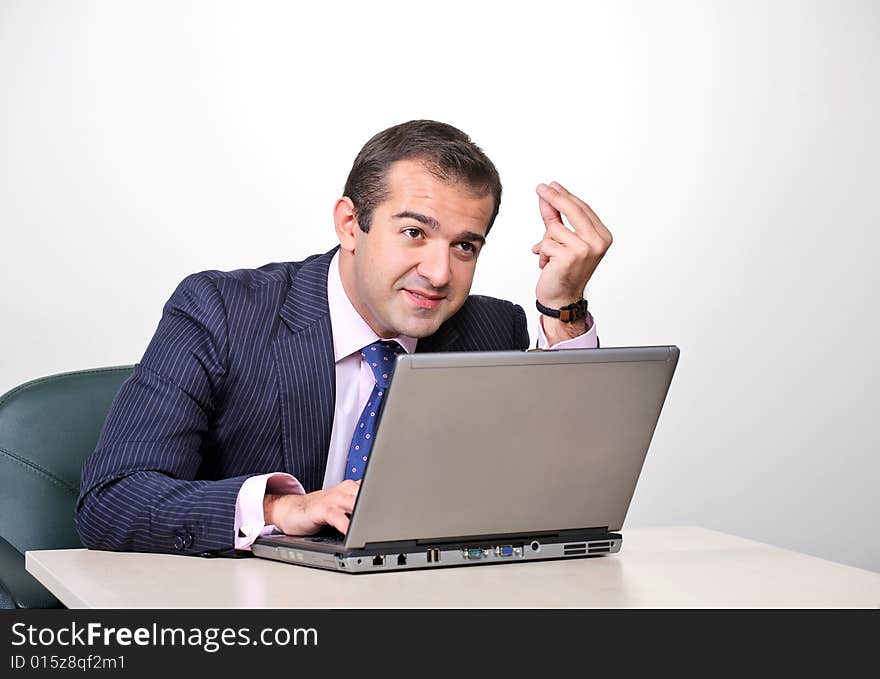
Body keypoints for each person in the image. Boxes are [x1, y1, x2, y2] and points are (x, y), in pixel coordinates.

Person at [74, 120, 613, 556]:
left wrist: (564, 308)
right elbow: (111, 500)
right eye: (414, 233)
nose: (440, 272)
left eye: (465, 246)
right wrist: (278, 510)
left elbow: (565, 499)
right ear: (350, 224)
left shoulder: (489, 330)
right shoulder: (222, 312)